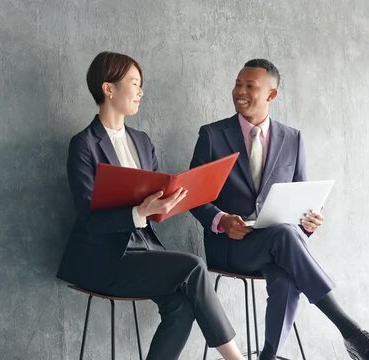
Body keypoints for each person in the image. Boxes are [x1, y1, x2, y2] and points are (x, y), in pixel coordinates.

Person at [189, 59, 369, 360]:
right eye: (238, 84)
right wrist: (221, 220)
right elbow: (193, 197)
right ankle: (353, 334)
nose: (240, 91)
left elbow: (301, 198)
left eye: (250, 86)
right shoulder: (212, 135)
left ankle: (269, 356)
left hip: (279, 245)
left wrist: (309, 222)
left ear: (271, 95)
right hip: (231, 247)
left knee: (285, 272)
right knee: (285, 239)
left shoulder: (293, 139)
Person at [57, 51, 244, 360]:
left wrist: (166, 204)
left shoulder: (142, 141)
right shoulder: (84, 144)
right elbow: (89, 217)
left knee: (181, 307)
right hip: (103, 259)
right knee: (194, 265)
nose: (141, 91)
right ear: (108, 88)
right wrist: (138, 212)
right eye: (134, 83)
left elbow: (153, 211)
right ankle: (235, 358)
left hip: (145, 251)